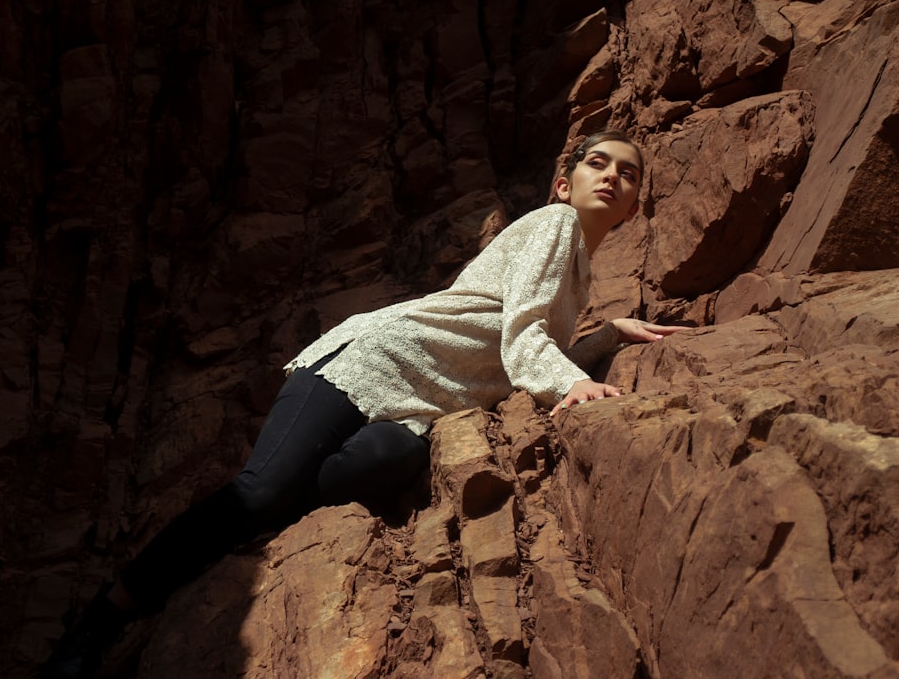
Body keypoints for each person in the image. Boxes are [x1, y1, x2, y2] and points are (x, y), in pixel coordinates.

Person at [38, 128, 685, 678]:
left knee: (380, 463)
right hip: (372, 361)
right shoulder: (556, 224)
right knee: (259, 494)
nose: (612, 177)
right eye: (597, 163)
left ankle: (266, 521)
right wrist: (570, 380)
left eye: (628, 174)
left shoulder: (577, 270)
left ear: (633, 206)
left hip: (417, 405)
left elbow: (517, 335)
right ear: (564, 185)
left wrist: (601, 337)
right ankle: (106, 613)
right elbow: (522, 333)